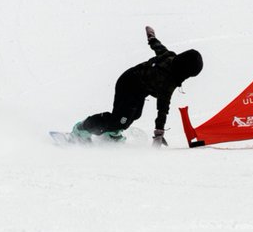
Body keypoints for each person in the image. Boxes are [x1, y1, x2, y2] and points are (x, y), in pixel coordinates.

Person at [72, 26, 202, 147]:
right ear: (185, 71)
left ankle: (111, 132)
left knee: (134, 115)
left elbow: (158, 46)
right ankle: (82, 129)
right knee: (120, 119)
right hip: (128, 84)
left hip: (138, 89)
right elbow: (162, 108)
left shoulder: (170, 57)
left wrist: (151, 37)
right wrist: (159, 134)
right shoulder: (168, 81)